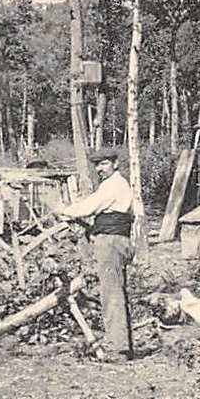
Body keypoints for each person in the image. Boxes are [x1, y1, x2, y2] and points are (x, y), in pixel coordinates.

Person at [54, 149, 143, 362]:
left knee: (111, 294)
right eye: (97, 165)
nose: (99, 169)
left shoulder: (114, 185)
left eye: (103, 164)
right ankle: (123, 344)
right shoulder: (115, 185)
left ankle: (117, 349)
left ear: (114, 163)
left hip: (111, 242)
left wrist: (64, 209)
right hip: (114, 240)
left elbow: (89, 206)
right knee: (116, 292)